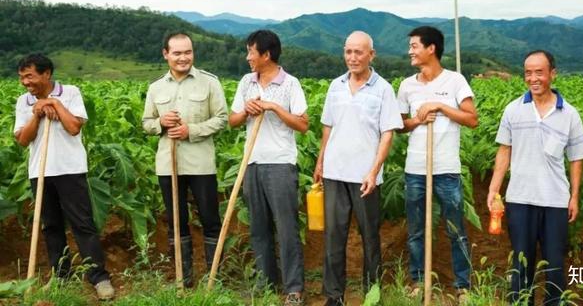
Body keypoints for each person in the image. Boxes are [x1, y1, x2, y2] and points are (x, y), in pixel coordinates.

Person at [487, 50, 583, 305]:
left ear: (552, 74)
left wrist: (574, 196)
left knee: (554, 264)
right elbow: (504, 150)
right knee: (521, 262)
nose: (533, 78)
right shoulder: (513, 109)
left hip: (555, 200)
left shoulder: (569, 114)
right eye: (528, 73)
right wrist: (493, 188)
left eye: (539, 72)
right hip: (520, 198)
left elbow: (577, 158)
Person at [14, 54, 115, 300]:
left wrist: (55, 105)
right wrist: (36, 115)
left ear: (46, 74)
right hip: (40, 171)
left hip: (70, 169)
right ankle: (61, 276)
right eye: (22, 78)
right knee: (51, 226)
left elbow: (74, 127)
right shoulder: (23, 101)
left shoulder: (70, 92)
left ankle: (99, 277)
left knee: (82, 224)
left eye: (30, 76)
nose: (26, 82)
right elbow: (22, 139)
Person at [313, 31, 403, 306]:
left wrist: (374, 171)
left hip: (366, 176)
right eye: (348, 52)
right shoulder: (335, 86)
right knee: (333, 237)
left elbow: (388, 133)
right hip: (334, 172)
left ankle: (372, 293)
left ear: (371, 55)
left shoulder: (383, 89)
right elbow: (327, 127)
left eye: (358, 52)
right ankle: (334, 295)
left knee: (369, 237)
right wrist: (320, 161)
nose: (352, 58)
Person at [397, 26, 478, 303]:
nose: (410, 51)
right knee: (416, 229)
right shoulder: (407, 85)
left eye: (414, 46)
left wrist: (440, 107)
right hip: (416, 169)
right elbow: (399, 125)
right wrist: (418, 119)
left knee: (455, 229)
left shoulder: (455, 81)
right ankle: (419, 280)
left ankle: (462, 285)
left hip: (446, 169)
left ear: (431, 48)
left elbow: (471, 119)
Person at [142, 32, 228, 287]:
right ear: (166, 54)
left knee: (210, 219)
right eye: (177, 53)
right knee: (176, 221)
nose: (183, 58)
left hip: (201, 163)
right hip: (168, 166)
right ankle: (183, 277)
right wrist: (160, 123)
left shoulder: (210, 82)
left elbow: (222, 119)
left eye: (188, 52)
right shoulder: (156, 87)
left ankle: (214, 278)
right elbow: (146, 123)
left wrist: (192, 130)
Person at [229, 30, 308, 306]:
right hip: (252, 162)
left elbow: (302, 123)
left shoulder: (290, 84)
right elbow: (233, 120)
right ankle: (266, 283)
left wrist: (274, 107)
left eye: (251, 52)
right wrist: (246, 111)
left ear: (266, 55)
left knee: (286, 227)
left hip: (280, 163)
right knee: (259, 228)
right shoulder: (246, 82)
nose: (248, 57)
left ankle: (294, 289)